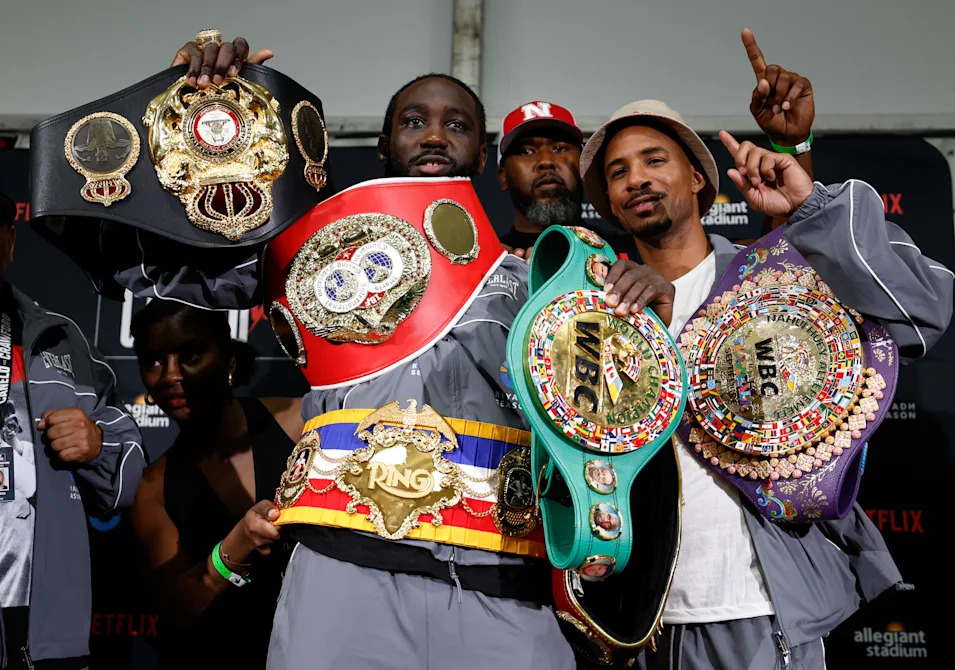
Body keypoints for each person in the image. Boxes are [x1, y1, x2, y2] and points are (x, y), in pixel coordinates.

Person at [173, 34, 679, 670]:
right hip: (342, 574)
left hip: (504, 587)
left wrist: (642, 330)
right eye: (414, 122)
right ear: (384, 147)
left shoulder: (547, 290)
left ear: (483, 155)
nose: (435, 135)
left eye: (456, 125)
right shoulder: (311, 252)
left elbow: (610, 431)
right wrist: (193, 115)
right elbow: (171, 264)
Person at [579, 36, 953, 670]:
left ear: (698, 178)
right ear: (611, 204)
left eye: (654, 160)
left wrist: (809, 207)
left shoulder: (775, 283)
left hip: (759, 609)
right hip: (637, 623)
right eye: (618, 173)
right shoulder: (595, 317)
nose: (636, 178)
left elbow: (922, 310)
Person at [0, 190, 145, 670]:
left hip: (38, 621)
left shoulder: (58, 338)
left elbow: (129, 479)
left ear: (10, 241)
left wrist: (98, 445)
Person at [127, 301, 302, 669]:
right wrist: (235, 547)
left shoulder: (301, 425)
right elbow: (177, 609)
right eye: (154, 361)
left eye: (190, 355)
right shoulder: (153, 487)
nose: (171, 375)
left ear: (229, 360)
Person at [496, 101, 584, 255]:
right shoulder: (492, 262)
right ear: (503, 177)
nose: (546, 161)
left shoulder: (623, 254)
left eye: (559, 148)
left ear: (583, 166)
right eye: (526, 151)